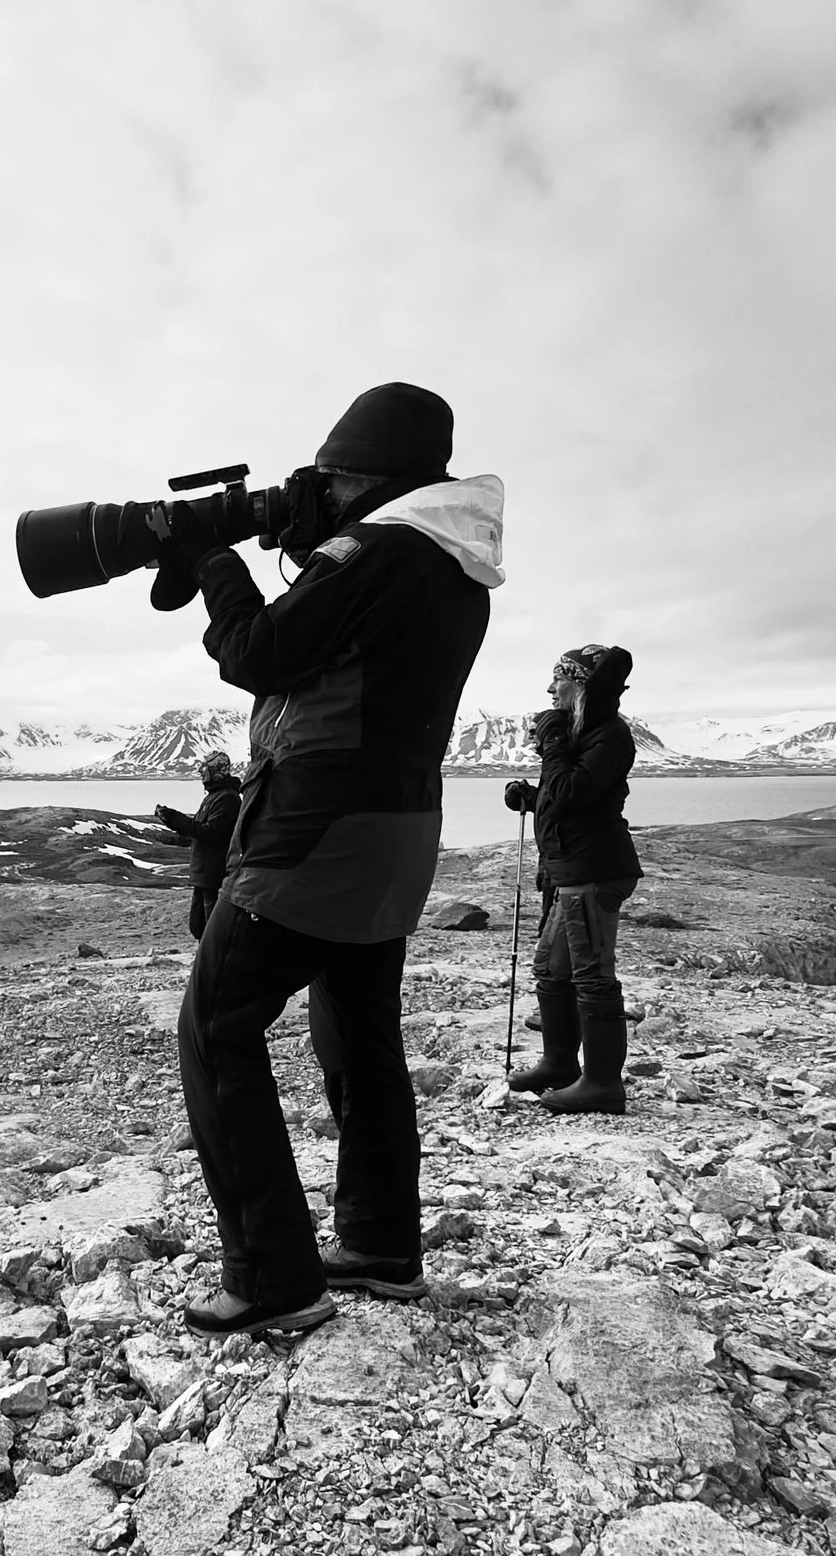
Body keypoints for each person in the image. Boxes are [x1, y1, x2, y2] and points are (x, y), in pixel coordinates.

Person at [148, 383, 503, 1335]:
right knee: (359, 1033)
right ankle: (382, 1242)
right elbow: (330, 650)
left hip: (317, 831)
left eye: (336, 475)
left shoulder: (378, 547)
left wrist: (218, 556)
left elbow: (259, 649)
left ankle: (272, 1275)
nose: (323, 491)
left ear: (373, 477)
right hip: (396, 835)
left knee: (216, 1026)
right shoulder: (450, 562)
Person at [506, 645, 643, 1115]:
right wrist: (532, 796)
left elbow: (569, 792)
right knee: (551, 968)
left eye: (559, 679)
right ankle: (560, 1063)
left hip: (595, 871)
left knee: (591, 976)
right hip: (573, 872)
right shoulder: (587, 733)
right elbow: (566, 793)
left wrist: (552, 744)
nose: (550, 689)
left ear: (580, 685)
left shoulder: (609, 736)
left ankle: (603, 1083)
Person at [152, 751, 243, 939]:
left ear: (216, 771)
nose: (201, 772)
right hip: (204, 875)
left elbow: (209, 833)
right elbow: (198, 834)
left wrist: (174, 817)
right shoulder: (215, 797)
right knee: (200, 926)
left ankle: (215, 966)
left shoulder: (227, 798)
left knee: (212, 931)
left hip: (214, 875)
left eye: (205, 768)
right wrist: (169, 832)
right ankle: (207, 963)